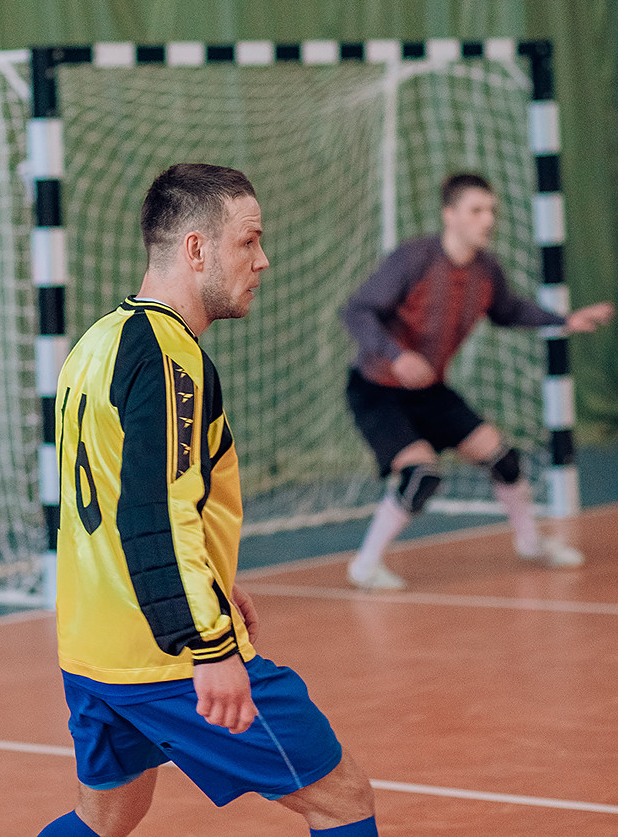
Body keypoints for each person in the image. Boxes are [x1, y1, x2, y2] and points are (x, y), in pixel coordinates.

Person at [37, 163, 378, 837]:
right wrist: (210, 643)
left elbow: (121, 500)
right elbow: (153, 515)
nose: (262, 260)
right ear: (196, 249)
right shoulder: (167, 358)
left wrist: (215, 579)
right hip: (164, 655)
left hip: (92, 645)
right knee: (342, 798)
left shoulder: (97, 344)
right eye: (248, 241)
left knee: (107, 814)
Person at [341, 172, 615, 590]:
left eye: (491, 211)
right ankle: (365, 565)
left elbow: (508, 311)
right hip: (377, 391)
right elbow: (357, 311)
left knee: (504, 459)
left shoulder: (486, 269)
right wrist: (398, 356)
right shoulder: (415, 259)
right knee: (422, 474)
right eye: (476, 210)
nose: (488, 219)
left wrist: (563, 320)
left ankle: (530, 543)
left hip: (429, 391)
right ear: (449, 215)